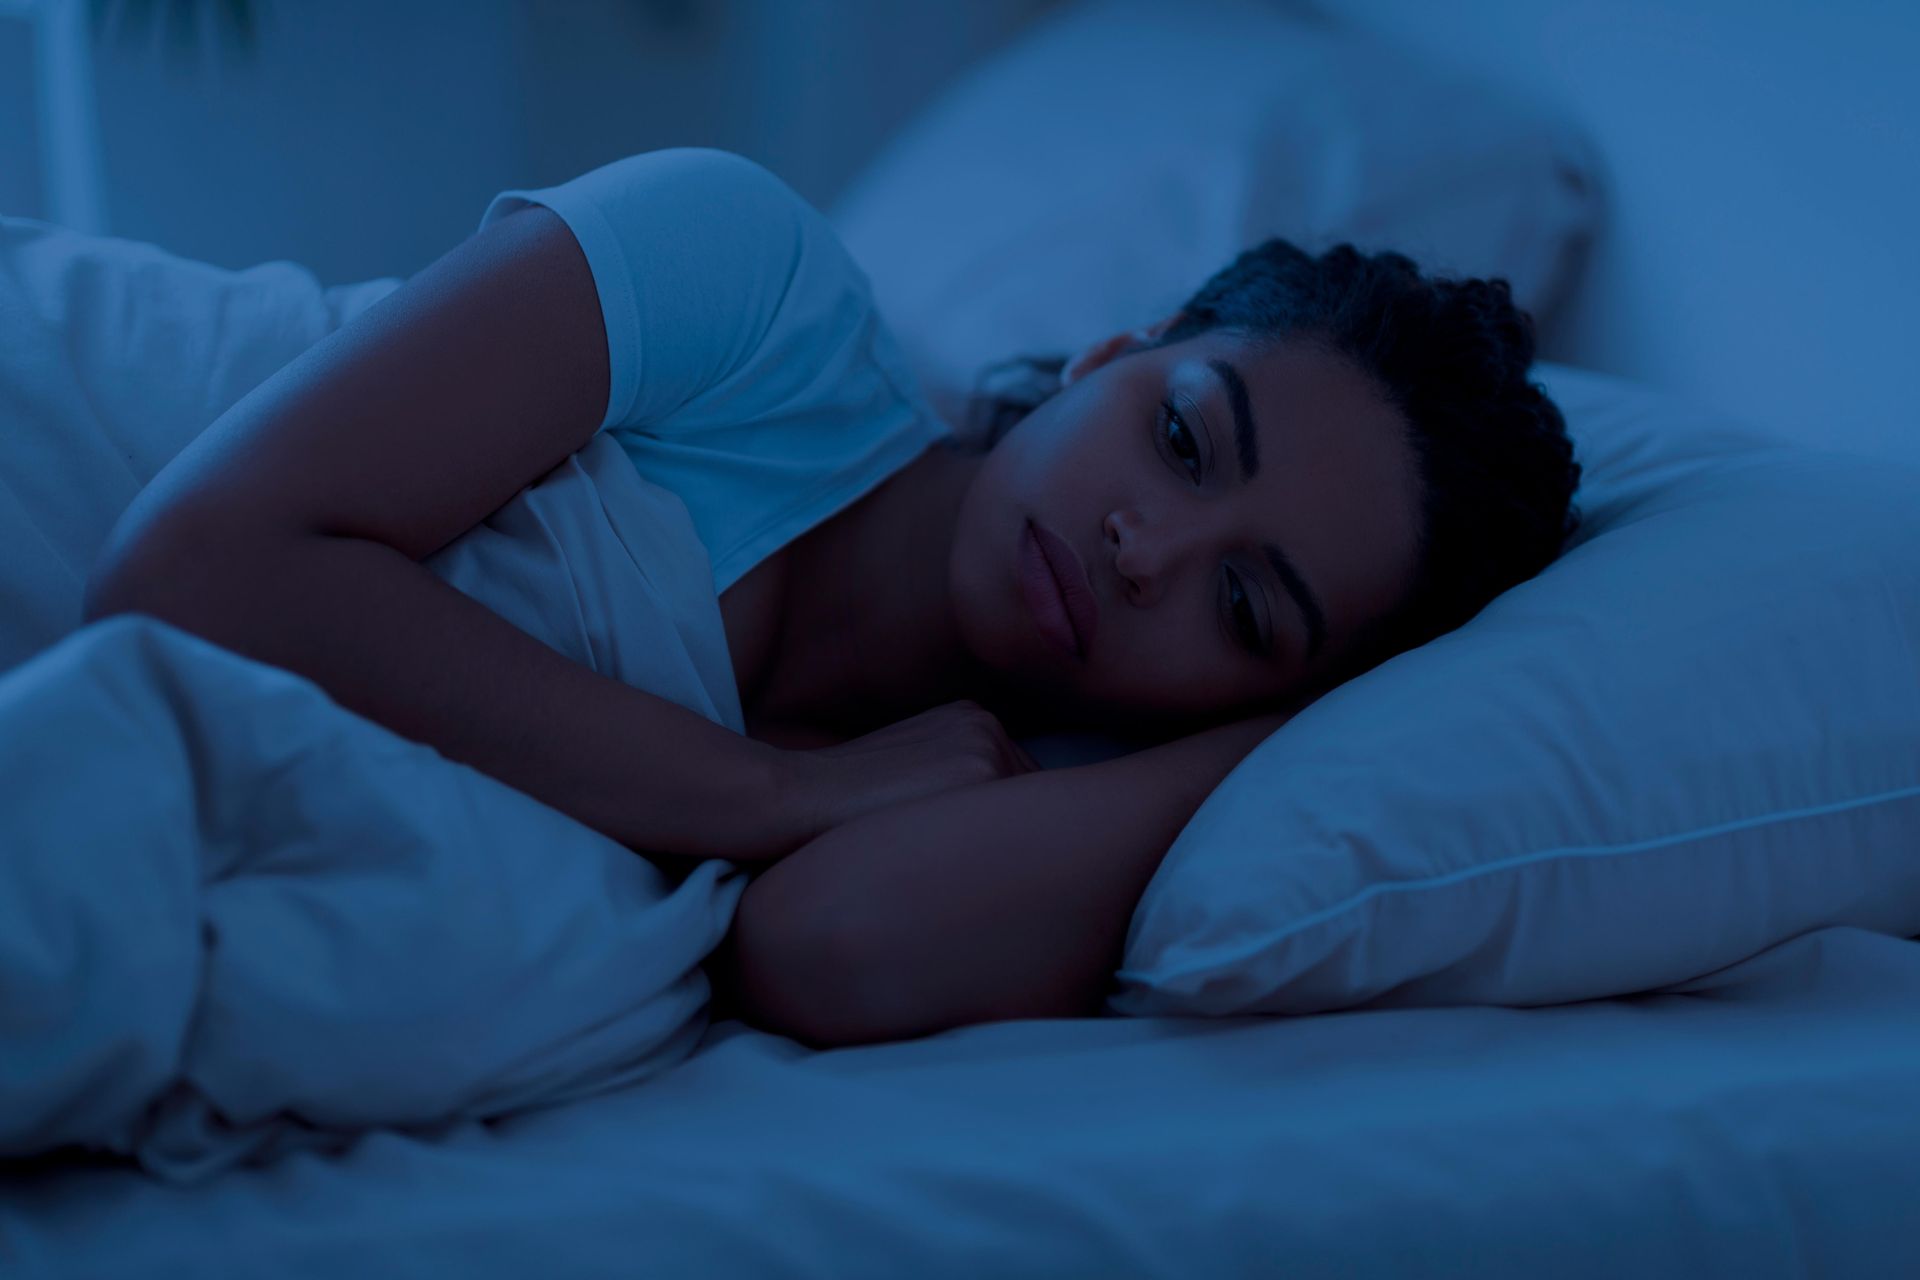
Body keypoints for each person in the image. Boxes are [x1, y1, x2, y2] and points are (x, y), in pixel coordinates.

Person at [81, 148, 1579, 1043]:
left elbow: (827, 951)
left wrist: (1290, 734)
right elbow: (189, 568)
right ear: (1112, 353)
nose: (1147, 553)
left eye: (1246, 610)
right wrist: (755, 793)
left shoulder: (1018, 789)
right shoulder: (752, 287)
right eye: (1180, 436)